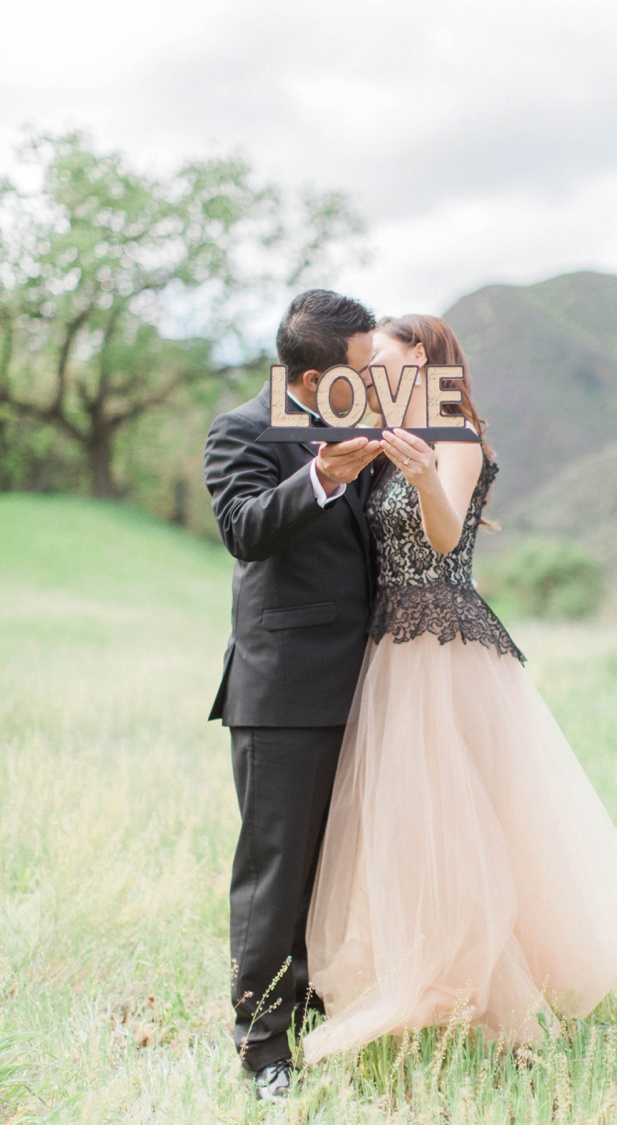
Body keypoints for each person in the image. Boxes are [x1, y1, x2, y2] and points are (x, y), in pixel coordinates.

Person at [302, 315, 617, 1064]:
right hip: (390, 644)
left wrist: (421, 474)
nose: (372, 370)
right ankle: (413, 966)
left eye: (383, 357)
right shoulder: (380, 441)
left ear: (424, 359)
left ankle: (487, 980)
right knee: (404, 819)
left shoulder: (455, 441)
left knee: (465, 816)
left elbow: (443, 538)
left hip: (446, 645)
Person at [203, 289, 381, 1100]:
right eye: (360, 369)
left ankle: (317, 1004)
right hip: (285, 688)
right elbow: (242, 528)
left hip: (370, 685)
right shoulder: (243, 429)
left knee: (335, 867)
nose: (373, 381)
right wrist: (318, 475)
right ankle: (262, 1045)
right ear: (311, 378)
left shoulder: (371, 425)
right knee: (276, 872)